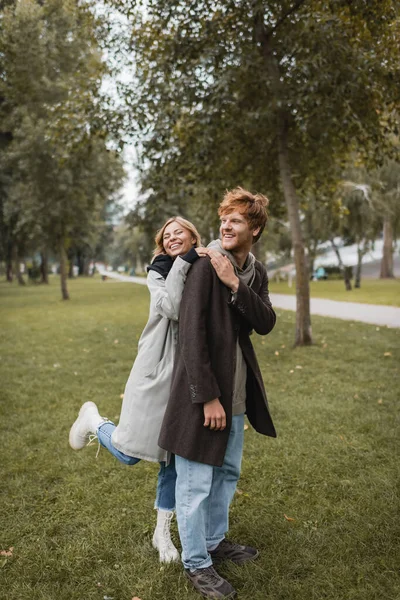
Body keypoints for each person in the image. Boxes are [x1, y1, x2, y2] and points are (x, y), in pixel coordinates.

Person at [158, 188, 277, 599]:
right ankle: (196, 563)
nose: (225, 226)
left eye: (236, 221)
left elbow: (265, 322)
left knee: (226, 473)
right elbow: (191, 334)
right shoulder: (205, 266)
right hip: (203, 394)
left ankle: (212, 542)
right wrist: (207, 396)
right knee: (195, 481)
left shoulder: (254, 271)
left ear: (255, 229)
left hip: (238, 393)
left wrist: (235, 285)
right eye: (223, 219)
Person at [68, 217, 209, 563]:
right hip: (157, 371)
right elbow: (172, 307)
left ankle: (162, 534)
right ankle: (94, 422)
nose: (173, 237)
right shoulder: (159, 271)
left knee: (172, 459)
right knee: (131, 452)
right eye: (167, 235)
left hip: (190, 373)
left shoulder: (203, 266)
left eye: (180, 232)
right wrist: (186, 262)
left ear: (193, 236)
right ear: (163, 243)